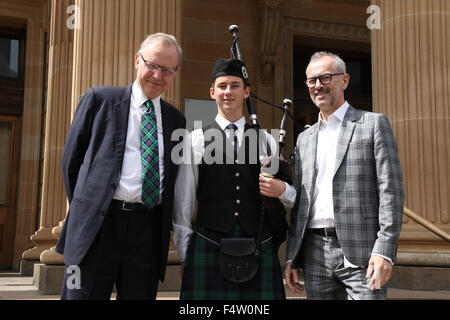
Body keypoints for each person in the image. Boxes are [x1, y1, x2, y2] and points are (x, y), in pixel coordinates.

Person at [56, 33, 186, 300]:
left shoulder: (176, 121)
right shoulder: (99, 100)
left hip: (147, 234)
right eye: (152, 65)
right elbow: (71, 162)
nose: (157, 75)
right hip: (97, 230)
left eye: (166, 70)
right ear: (137, 60)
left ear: (175, 72)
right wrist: (89, 208)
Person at [172, 58, 296, 299]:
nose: (228, 92)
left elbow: (291, 197)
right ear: (212, 92)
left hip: (258, 243)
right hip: (209, 242)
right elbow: (183, 203)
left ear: (247, 92)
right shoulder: (194, 139)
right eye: (222, 86)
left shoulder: (267, 140)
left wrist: (281, 190)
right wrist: (186, 253)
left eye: (235, 85)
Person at [284, 51, 405, 300]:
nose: (318, 86)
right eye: (312, 80)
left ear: (345, 80)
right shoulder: (304, 138)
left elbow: (391, 192)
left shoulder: (373, 124)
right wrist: (292, 256)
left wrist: (384, 251)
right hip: (314, 252)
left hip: (363, 253)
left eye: (326, 78)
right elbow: (302, 203)